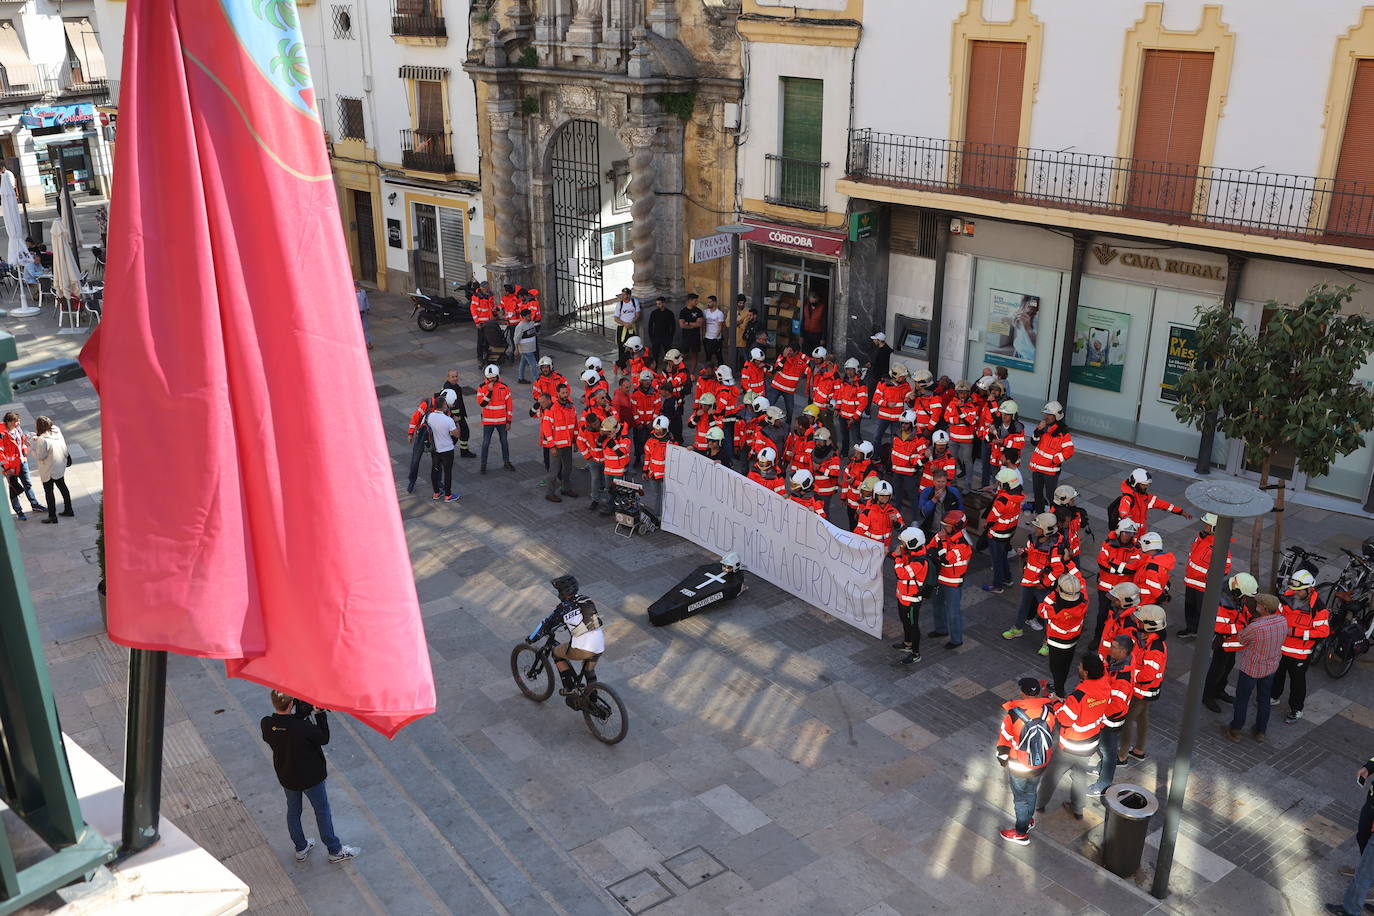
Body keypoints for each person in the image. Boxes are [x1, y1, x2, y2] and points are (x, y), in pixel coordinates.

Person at [260, 691, 359, 863]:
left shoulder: (267, 724)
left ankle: (300, 848)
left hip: (287, 776)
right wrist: (319, 715)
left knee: (293, 811)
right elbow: (323, 738)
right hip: (311, 778)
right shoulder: (302, 727)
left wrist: (295, 719)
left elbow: (281, 733)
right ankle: (335, 851)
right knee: (322, 811)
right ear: (291, 704)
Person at [1036, 653, 1111, 821]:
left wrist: (1055, 701)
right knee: (1079, 776)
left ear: (1086, 672)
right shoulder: (1105, 685)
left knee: (1051, 776)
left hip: (1071, 745)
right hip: (1091, 743)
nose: (1078, 667)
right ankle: (1077, 808)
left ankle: (1039, 804)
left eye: (1080, 666)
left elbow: (1064, 719)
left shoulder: (1079, 696)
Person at [528, 576, 606, 709]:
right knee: (589, 671)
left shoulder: (563, 607)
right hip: (599, 644)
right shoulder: (586, 599)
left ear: (562, 593)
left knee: (556, 653)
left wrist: (532, 638)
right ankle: (593, 702)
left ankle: (569, 689)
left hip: (581, 648)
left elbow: (546, 624)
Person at [996, 677, 1058, 844]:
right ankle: (1029, 820)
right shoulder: (1048, 711)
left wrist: (1003, 760)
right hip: (1041, 761)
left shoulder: (1014, 714)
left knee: (1020, 799)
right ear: (1038, 692)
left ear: (1022, 693)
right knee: (1031, 791)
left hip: (1019, 764)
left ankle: (1020, 832)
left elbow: (1005, 740)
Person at [1223, 593, 1287, 742]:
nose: (1255, 605)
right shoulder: (1282, 621)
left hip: (1251, 669)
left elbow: (1241, 638)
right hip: (1270, 668)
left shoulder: (1256, 627)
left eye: (1258, 603)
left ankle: (1235, 729)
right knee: (1264, 699)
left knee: (1242, 699)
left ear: (1264, 609)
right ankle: (1260, 731)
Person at [1270, 570, 1329, 723]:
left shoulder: (1318, 609)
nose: (1295, 593)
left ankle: (1296, 710)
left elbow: (1323, 632)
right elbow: (1277, 615)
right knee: (1277, 675)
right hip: (1281, 648)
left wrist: (1297, 632)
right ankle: (1274, 697)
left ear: (1310, 589)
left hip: (1300, 654)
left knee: (1297, 683)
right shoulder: (1286, 598)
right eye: (1294, 589)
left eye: (1299, 590)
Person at [1003, 513, 1069, 640]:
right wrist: (1024, 552)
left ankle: (1048, 641)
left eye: (1038, 528)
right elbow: (1030, 551)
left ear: (1046, 531)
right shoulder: (1033, 538)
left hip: (1042, 587)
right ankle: (1017, 628)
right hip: (1029, 581)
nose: (1035, 529)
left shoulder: (1054, 547)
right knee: (1023, 606)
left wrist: (1044, 583)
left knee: (1046, 614)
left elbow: (1058, 569)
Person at [1087, 634, 1136, 799]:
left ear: (1123, 651)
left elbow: (1117, 705)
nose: (1110, 648)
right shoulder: (1119, 664)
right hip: (1108, 719)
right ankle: (1102, 770)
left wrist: (1100, 711)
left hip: (1110, 722)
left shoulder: (1123, 678)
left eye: (1114, 647)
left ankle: (1103, 784)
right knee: (1105, 750)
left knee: (1108, 752)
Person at [1202, 572, 1259, 712]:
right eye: (1246, 596)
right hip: (1223, 645)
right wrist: (1242, 627)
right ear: (1238, 591)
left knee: (1227, 667)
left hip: (1231, 645)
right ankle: (1208, 696)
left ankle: (1219, 691)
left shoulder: (1234, 597)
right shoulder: (1221, 603)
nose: (1246, 600)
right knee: (1216, 671)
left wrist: (1251, 619)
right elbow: (1220, 627)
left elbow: (1241, 611)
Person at [1119, 605, 1167, 764]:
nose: (1136, 621)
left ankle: (1122, 756)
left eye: (1140, 620)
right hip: (1145, 691)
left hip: (1141, 692)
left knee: (1126, 721)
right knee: (1142, 718)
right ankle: (1139, 750)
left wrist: (1130, 673)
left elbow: (1148, 675)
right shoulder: (1152, 642)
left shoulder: (1155, 649)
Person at [1179, 513, 1231, 639]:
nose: (1205, 526)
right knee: (1190, 607)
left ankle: (1208, 634)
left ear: (1215, 528)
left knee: (1204, 612)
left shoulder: (1220, 544)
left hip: (1203, 586)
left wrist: (1209, 578)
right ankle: (1192, 629)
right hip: (1191, 581)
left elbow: (1226, 566)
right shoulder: (1201, 537)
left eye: (1208, 525)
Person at [1040, 574, 1089, 697]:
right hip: (1072, 641)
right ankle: (1059, 686)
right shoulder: (1084, 601)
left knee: (1055, 668)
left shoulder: (1054, 608)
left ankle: (1059, 692)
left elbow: (1041, 610)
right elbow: (1081, 581)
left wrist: (1054, 593)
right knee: (1065, 666)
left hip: (1056, 643)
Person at [1094, 520, 1141, 642]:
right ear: (1120, 531)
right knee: (1102, 614)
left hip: (1122, 591)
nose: (1128, 536)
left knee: (1120, 617)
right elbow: (1101, 562)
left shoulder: (1136, 548)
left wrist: (1113, 562)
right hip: (1105, 588)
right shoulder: (1107, 543)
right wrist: (1123, 568)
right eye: (1126, 532)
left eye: (1131, 533)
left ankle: (1114, 639)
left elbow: (1132, 569)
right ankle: (1097, 638)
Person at [931, 510, 972, 650]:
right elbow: (930, 549)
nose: (943, 528)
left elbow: (946, 559)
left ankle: (956, 640)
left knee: (953, 612)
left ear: (956, 527)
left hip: (952, 583)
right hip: (939, 579)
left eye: (946, 526)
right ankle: (941, 629)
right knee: (937, 605)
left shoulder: (963, 545)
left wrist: (941, 542)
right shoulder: (943, 535)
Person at [892, 527, 931, 664]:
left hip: (912, 600)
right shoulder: (911, 555)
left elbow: (901, 573)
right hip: (903, 597)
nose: (901, 545)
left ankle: (916, 653)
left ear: (911, 544)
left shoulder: (919, 562)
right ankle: (907, 644)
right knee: (905, 622)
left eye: (903, 543)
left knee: (913, 626)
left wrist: (897, 557)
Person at [982, 467, 1025, 594]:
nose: (999, 484)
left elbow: (992, 518)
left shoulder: (1002, 501)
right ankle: (1007, 578)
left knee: (997, 561)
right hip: (1009, 532)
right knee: (1003, 556)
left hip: (997, 534)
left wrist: (986, 525)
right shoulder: (1018, 495)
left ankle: (997, 586)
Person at [1112, 468, 1191, 535]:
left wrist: (1180, 511)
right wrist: (1125, 518)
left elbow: (1163, 504)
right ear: (1135, 483)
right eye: (1143, 485)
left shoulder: (1145, 497)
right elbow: (1123, 510)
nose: (1146, 487)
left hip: (1140, 534)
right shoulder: (1127, 498)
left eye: (1147, 485)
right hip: (1130, 534)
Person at [1027, 401, 1073, 513]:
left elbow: (1069, 450)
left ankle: (1054, 517)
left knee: (1051, 496)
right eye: (1046, 414)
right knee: (1037, 494)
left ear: (1056, 416)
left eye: (1049, 415)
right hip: (1037, 469)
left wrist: (1055, 460)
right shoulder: (1043, 428)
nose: (1046, 417)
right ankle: (1040, 515)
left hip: (1050, 472)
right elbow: (1034, 442)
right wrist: (1038, 430)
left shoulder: (1063, 433)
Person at [2, 411, 45, 519]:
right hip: (11, 467)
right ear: (9, 422)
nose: (19, 422)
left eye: (18, 420)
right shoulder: (2, 434)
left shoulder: (18, 429)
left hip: (22, 462)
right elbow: (0, 453)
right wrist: (7, 469)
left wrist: (25, 452)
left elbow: (23, 441)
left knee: (28, 484)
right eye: (16, 421)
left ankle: (34, 505)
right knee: (14, 488)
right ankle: (18, 511)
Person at [542, 384, 578, 502]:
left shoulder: (571, 407)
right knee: (554, 471)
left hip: (567, 445)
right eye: (563, 393)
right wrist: (551, 446)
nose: (565, 395)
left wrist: (575, 441)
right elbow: (546, 430)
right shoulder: (551, 409)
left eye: (566, 392)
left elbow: (575, 425)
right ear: (557, 394)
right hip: (556, 446)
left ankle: (565, 488)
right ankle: (549, 493)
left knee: (567, 468)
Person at [31, 417, 71, 523]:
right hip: (59, 466)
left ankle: (52, 516)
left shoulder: (42, 440)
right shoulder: (56, 431)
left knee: (49, 492)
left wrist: (33, 447)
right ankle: (69, 509)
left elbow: (40, 456)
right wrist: (38, 438)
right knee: (63, 487)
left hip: (48, 470)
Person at [477, 364, 515, 474]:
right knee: (486, 443)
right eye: (489, 377)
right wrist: (489, 391)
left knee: (504, 442)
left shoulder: (504, 387)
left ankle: (506, 462)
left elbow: (509, 406)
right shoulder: (481, 387)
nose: (491, 379)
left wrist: (509, 421)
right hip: (488, 421)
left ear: (497, 375)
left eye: (493, 377)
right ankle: (483, 464)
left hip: (502, 421)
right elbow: (482, 404)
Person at [942, 380, 980, 483]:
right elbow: (946, 417)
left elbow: (971, 421)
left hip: (966, 439)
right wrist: (958, 420)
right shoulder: (952, 403)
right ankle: (952, 482)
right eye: (960, 392)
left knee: (967, 462)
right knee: (951, 461)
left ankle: (968, 485)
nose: (962, 395)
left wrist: (961, 408)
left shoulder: (972, 405)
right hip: (953, 438)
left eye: (964, 392)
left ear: (968, 393)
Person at [425, 397, 461, 502]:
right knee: (447, 472)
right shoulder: (448, 420)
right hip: (447, 449)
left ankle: (436, 493)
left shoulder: (430, 416)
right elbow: (457, 434)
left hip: (435, 449)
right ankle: (448, 495)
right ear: (444, 406)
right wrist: (457, 422)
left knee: (434, 470)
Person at [438, 369, 476, 459]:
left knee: (464, 433)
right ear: (448, 377)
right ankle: (444, 453)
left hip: (458, 416)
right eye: (453, 377)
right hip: (455, 417)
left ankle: (464, 451)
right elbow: (450, 405)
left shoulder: (453, 386)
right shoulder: (449, 388)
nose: (455, 378)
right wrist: (456, 417)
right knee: (455, 436)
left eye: (456, 376)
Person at [1132, 531, 1174, 607]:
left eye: (1141, 546)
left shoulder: (1152, 567)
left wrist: (1163, 598)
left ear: (1148, 546)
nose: (1140, 548)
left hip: (1145, 601)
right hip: (1149, 600)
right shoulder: (1161, 560)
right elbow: (1164, 580)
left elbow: (1154, 589)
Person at [917, 468, 963, 535]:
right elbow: (923, 513)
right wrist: (934, 500)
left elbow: (960, 512)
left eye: (943, 481)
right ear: (933, 481)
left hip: (948, 533)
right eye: (938, 481)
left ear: (946, 481)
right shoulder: (926, 492)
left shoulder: (954, 492)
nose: (941, 484)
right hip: (930, 531)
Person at [678, 293, 705, 374]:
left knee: (695, 354)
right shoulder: (683, 311)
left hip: (695, 336)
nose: (697, 302)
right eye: (695, 300)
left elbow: (699, 324)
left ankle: (692, 372)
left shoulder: (698, 311)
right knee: (682, 354)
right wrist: (693, 324)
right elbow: (682, 325)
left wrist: (688, 323)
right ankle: (681, 371)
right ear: (690, 301)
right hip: (686, 337)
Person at [513, 308, 540, 383]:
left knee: (523, 363)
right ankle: (537, 379)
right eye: (528, 316)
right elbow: (516, 338)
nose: (530, 317)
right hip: (526, 349)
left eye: (530, 316)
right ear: (523, 317)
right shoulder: (520, 326)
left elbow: (532, 331)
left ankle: (520, 378)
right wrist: (516, 349)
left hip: (531, 347)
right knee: (533, 364)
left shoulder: (531, 323)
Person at [646, 296, 676, 363]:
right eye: (657, 304)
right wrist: (652, 338)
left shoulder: (669, 313)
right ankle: (655, 368)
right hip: (656, 337)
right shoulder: (654, 313)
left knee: (669, 355)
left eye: (659, 304)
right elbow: (650, 326)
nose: (658, 305)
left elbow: (673, 326)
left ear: (663, 303)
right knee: (655, 355)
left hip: (666, 336)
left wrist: (671, 337)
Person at [613, 288, 641, 361]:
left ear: (629, 295)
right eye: (622, 294)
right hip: (622, 328)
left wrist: (631, 323)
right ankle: (622, 366)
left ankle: (633, 361)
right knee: (621, 347)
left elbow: (637, 315)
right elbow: (616, 318)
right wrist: (625, 324)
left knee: (634, 346)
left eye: (624, 294)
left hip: (631, 327)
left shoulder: (635, 302)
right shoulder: (620, 304)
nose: (622, 296)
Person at [865, 332, 892, 407]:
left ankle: (867, 411)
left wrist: (871, 364)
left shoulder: (881, 351)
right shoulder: (887, 349)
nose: (874, 341)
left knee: (870, 392)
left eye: (875, 340)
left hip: (876, 374)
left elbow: (878, 363)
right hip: (883, 374)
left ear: (879, 341)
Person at [702, 295, 726, 366]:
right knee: (708, 356)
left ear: (714, 302)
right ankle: (707, 370)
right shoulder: (705, 312)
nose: (708, 304)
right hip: (707, 337)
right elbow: (704, 324)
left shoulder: (719, 313)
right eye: (707, 302)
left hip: (716, 338)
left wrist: (716, 337)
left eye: (710, 302)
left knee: (718, 355)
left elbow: (720, 327)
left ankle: (721, 369)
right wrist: (703, 335)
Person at [355, 281, 372, 349]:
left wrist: (368, 308)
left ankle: (368, 343)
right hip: (356, 313)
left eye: (358, 286)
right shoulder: (352, 293)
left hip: (363, 312)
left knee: (365, 328)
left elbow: (366, 300)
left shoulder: (363, 292)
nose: (357, 288)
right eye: (356, 287)